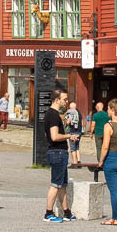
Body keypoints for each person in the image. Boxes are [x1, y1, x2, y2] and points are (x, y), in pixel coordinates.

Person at [43, 89, 75, 222]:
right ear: (57, 100)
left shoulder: (54, 114)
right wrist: (69, 136)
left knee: (62, 184)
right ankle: (48, 213)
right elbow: (54, 136)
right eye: (65, 99)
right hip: (57, 152)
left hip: (59, 152)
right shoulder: (53, 115)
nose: (66, 102)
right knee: (55, 184)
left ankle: (66, 212)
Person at [65, 101, 83, 166]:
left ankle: (74, 163)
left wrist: (65, 123)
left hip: (73, 131)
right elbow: (82, 122)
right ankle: (79, 161)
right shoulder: (79, 112)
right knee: (77, 147)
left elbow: (68, 122)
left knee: (72, 148)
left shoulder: (71, 112)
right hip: (79, 131)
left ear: (71, 107)